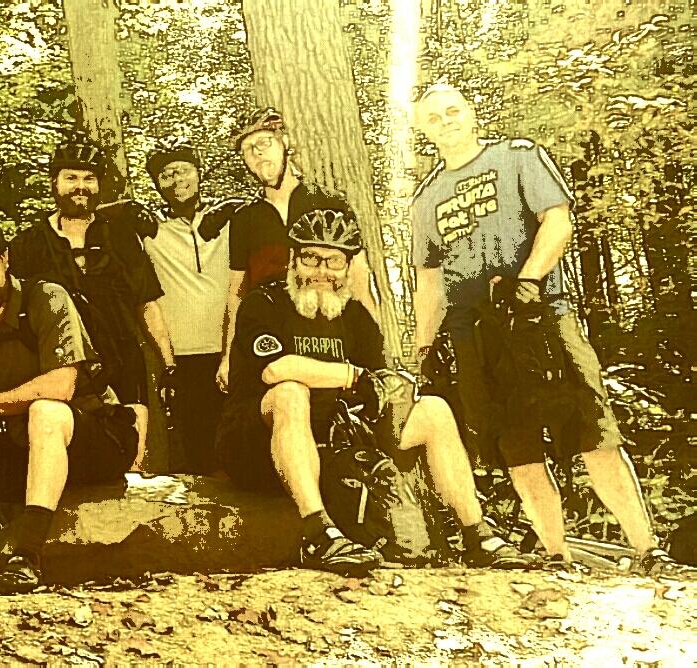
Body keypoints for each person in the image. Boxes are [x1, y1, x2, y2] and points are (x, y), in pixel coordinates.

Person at [410, 84, 678, 574]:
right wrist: (425, 343)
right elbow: (428, 277)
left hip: (542, 317)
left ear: (471, 113)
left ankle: (648, 551)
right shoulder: (426, 200)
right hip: (477, 335)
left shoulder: (518, 157)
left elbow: (557, 220)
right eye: (433, 117)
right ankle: (556, 555)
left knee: (594, 432)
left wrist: (528, 280)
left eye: (453, 111)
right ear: (423, 129)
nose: (445, 121)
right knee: (518, 448)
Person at [217, 194, 530, 575]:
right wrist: (353, 376)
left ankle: (476, 534)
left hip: (331, 446)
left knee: (433, 410)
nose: (322, 271)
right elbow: (276, 369)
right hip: (256, 445)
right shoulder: (263, 302)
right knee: (290, 392)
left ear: (348, 267)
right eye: (311, 258)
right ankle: (318, 534)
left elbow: (381, 384)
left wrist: (393, 390)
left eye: (334, 261)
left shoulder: (354, 315)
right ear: (293, 259)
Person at [0, 214, 138, 596]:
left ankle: (27, 556)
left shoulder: (46, 297)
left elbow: (61, 385)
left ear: (5, 259)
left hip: (94, 440)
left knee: (45, 409)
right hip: (25, 450)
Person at [9, 138, 173, 469]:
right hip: (61, 368)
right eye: (71, 178)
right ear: (54, 183)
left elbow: (147, 303)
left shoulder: (122, 236)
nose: (80, 187)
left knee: (131, 466)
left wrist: (168, 364)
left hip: (122, 362)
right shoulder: (29, 243)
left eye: (89, 179)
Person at [215, 107, 378, 394]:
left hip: (328, 329)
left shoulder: (330, 201)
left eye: (263, 143)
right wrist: (228, 355)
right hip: (272, 335)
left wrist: (377, 345)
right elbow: (236, 293)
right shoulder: (244, 219)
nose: (257, 154)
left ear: (285, 143)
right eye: (247, 150)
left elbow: (359, 277)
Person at [140, 137, 236, 473]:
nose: (177, 180)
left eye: (183, 170)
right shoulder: (148, 228)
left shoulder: (228, 219)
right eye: (166, 176)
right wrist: (128, 208)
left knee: (235, 439)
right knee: (195, 448)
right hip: (181, 354)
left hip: (228, 349)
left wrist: (237, 204)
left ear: (198, 173)